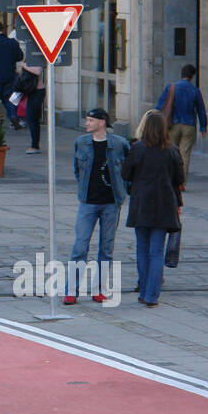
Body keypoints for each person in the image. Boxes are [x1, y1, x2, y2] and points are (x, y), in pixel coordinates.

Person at [66, 107, 130, 304]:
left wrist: (122, 191)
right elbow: (77, 170)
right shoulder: (81, 143)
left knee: (106, 247)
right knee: (80, 246)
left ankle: (98, 289)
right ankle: (72, 290)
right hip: (88, 202)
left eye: (91, 120)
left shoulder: (119, 144)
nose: (87, 124)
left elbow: (128, 170)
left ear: (102, 122)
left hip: (111, 203)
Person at [122, 111, 184, 308]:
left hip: (142, 203)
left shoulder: (137, 148)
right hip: (165, 204)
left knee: (142, 248)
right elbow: (180, 179)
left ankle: (144, 289)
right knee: (157, 251)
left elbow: (125, 173)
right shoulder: (172, 150)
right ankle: (152, 295)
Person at [155, 64, 208, 184]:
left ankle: (170, 179)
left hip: (172, 125)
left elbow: (160, 106)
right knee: (185, 154)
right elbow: (201, 109)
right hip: (188, 125)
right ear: (192, 76)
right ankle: (181, 182)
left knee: (170, 152)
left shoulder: (171, 87)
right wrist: (203, 127)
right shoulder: (195, 90)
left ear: (182, 74)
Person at [17, 63, 45, 154]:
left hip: (37, 91)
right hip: (30, 90)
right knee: (32, 119)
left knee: (32, 119)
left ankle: (35, 146)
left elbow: (38, 71)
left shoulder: (38, 57)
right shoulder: (30, 57)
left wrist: (24, 66)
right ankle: (35, 145)